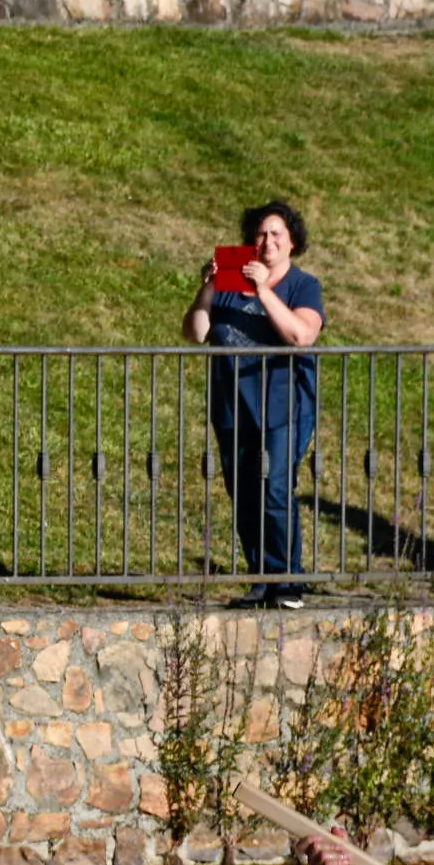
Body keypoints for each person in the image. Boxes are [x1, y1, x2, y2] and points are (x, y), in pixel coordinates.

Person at [184, 201, 325, 610]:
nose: (267, 242)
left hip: (283, 404)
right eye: (261, 234)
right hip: (233, 404)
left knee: (276, 487)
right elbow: (195, 333)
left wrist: (264, 290)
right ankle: (261, 578)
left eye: (277, 234)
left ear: (292, 242)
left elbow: (301, 335)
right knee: (244, 491)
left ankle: (288, 581)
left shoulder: (303, 286)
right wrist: (208, 288)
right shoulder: (228, 283)